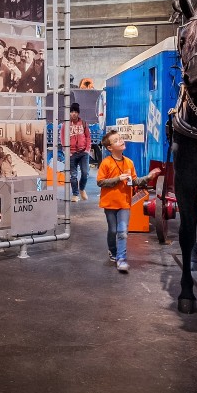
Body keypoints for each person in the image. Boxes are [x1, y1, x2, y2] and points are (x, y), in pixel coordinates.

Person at [97, 131, 161, 272]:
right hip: (109, 204)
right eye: (116, 140)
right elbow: (100, 182)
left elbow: (135, 181)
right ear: (109, 148)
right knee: (112, 230)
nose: (121, 141)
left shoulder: (129, 162)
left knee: (122, 232)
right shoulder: (106, 163)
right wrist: (118, 179)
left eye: (121, 139)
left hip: (125, 204)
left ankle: (121, 258)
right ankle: (112, 250)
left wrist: (149, 177)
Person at [60, 102, 91, 202]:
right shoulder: (65, 124)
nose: (73, 113)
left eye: (75, 112)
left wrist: (87, 150)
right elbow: (62, 137)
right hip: (71, 153)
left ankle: (82, 189)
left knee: (85, 173)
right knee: (73, 175)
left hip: (83, 153)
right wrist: (66, 150)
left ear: (78, 113)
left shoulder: (84, 123)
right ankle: (75, 194)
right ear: (69, 113)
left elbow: (88, 137)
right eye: (72, 111)